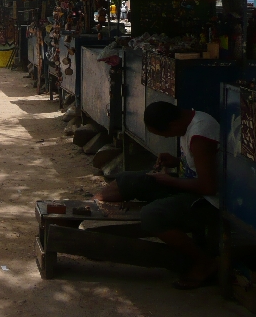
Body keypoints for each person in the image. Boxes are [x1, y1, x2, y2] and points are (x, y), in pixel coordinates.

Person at [94, 101, 219, 289]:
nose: (168, 137)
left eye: (164, 134)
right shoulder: (188, 121)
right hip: (191, 185)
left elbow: (209, 186)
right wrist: (176, 162)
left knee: (152, 215)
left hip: (209, 201)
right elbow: (199, 164)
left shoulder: (200, 135)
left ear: (172, 125)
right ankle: (91, 208)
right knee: (130, 179)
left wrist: (170, 181)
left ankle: (204, 262)